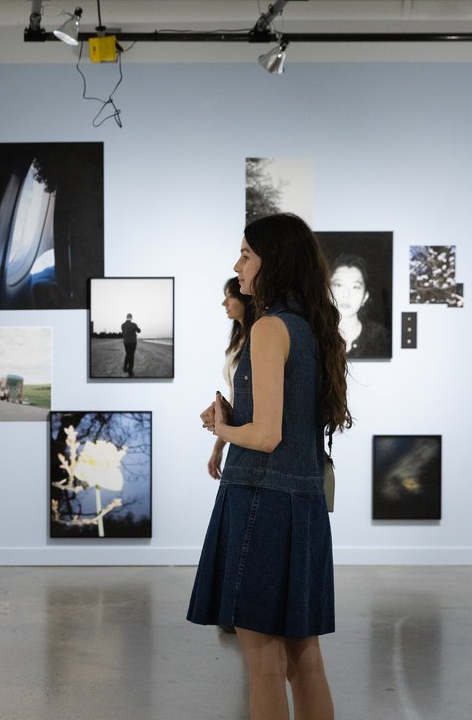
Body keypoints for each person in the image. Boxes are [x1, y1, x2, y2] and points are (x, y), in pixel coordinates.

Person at [188, 213, 352, 720]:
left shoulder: (267, 328)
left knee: (262, 661)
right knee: (305, 662)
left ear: (271, 261)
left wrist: (222, 431)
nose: (237, 265)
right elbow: (288, 423)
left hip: (259, 500)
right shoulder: (311, 328)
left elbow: (265, 437)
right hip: (301, 506)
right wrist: (234, 417)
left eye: (245, 254)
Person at [207, 277, 255, 480]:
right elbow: (235, 397)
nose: (224, 303)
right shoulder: (238, 341)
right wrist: (218, 446)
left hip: (251, 435)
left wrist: (220, 441)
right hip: (239, 433)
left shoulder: (258, 338)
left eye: (230, 296)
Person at [330, 253, 390, 359]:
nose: (346, 294)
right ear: (327, 291)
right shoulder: (314, 335)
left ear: (365, 297)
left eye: (355, 287)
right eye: (338, 285)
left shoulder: (381, 338)